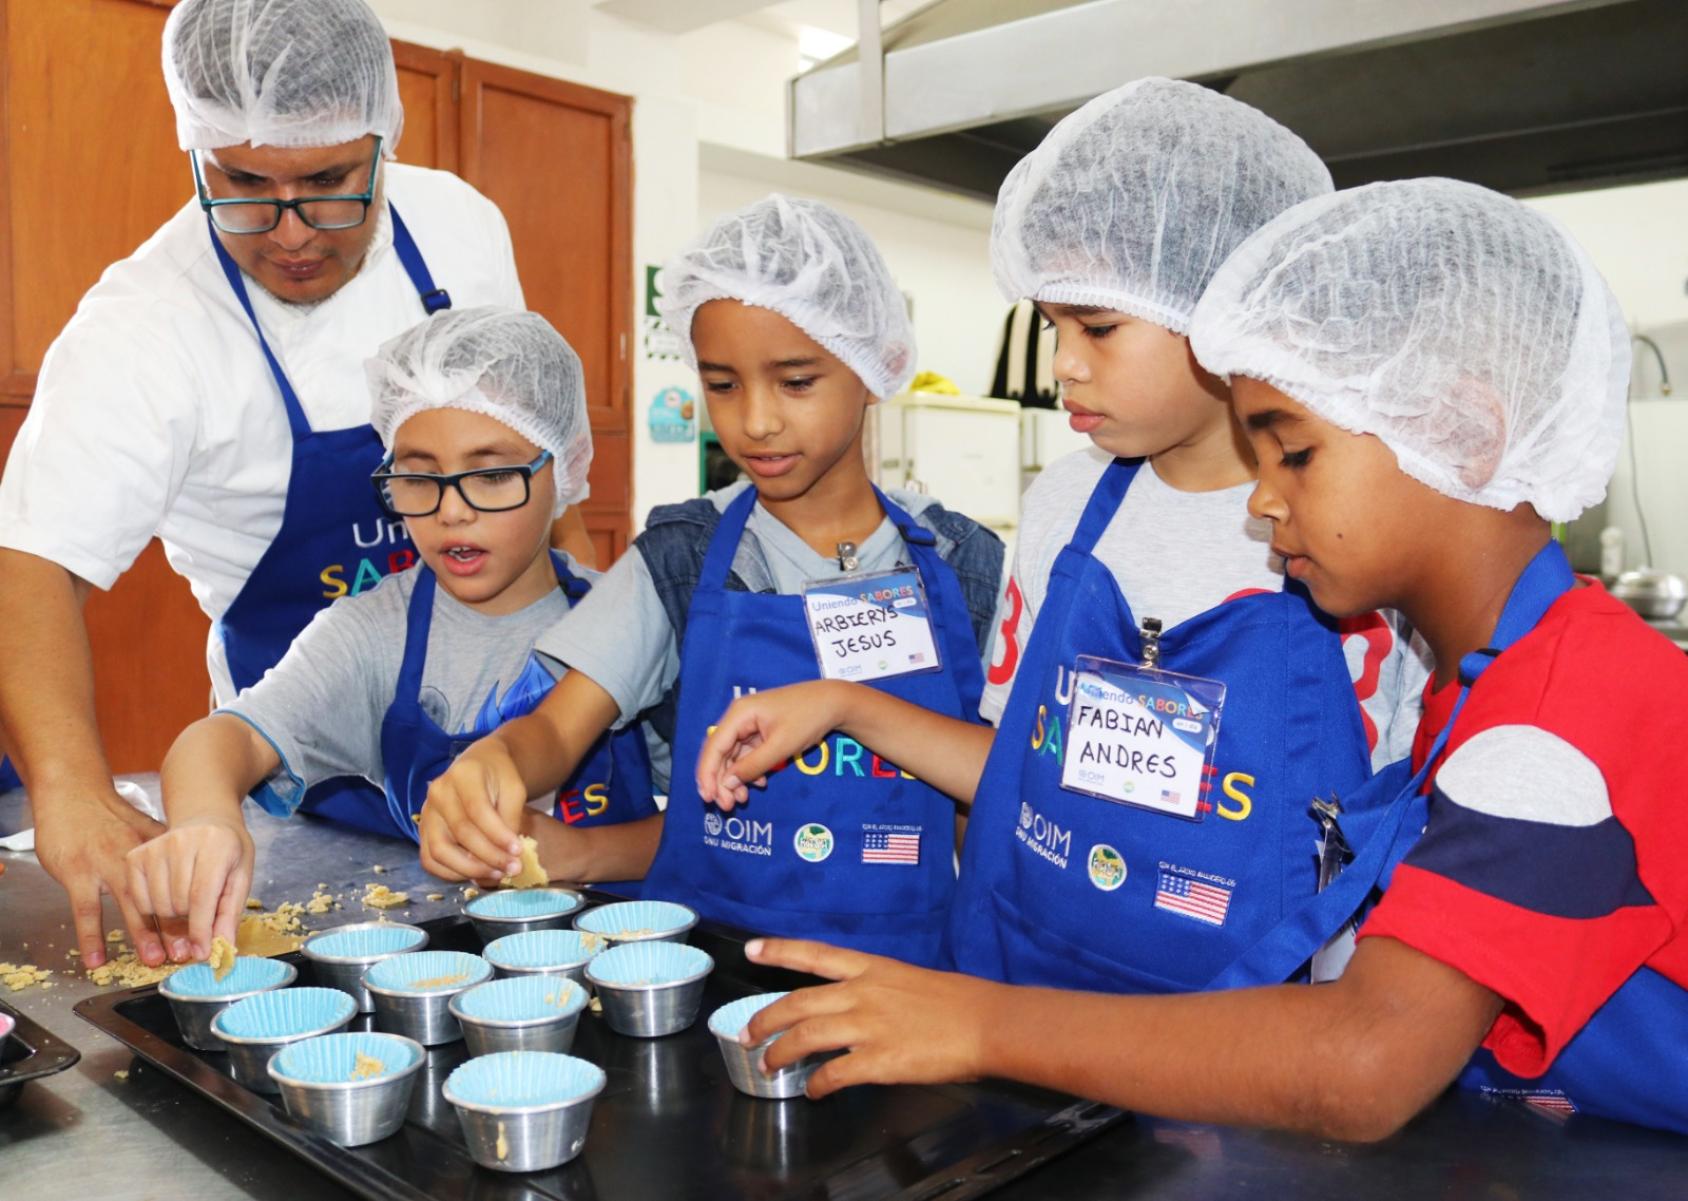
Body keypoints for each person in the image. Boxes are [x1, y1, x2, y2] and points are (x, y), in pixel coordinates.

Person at [706, 178, 1688, 1141]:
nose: (1258, 502)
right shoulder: (1481, 677)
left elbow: (1364, 1062)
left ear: (1465, 436)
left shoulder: (1548, 717)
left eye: (1291, 455)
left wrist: (971, 1023)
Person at [698, 79, 1427, 995]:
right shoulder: (1068, 505)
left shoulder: (1349, 531)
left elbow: (1394, 849)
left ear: (1226, 306)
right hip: (1028, 994)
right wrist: (844, 703)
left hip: (1243, 1047)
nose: (1062, 366)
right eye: (1051, 324)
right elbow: (1016, 773)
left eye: (1099, 325)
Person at [0, 0, 583, 969]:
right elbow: (29, 561)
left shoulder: (461, 231)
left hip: (507, 747)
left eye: (328, 182)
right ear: (195, 149)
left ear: (382, 137)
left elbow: (531, 456)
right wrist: (71, 789)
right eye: (241, 185)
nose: (291, 230)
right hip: (298, 775)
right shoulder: (144, 328)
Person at [418, 196, 1005, 967]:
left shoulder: (963, 566)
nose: (754, 421)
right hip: (712, 972)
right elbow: (557, 732)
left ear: (872, 368)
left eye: (795, 381)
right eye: (723, 384)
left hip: (911, 979)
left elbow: (992, 802)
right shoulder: (686, 556)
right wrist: (494, 762)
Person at [125, 307, 656, 958]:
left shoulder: (632, 619)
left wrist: (587, 852)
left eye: (491, 473)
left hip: (636, 961)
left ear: (565, 467)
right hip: (453, 970)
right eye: (418, 477)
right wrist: (207, 821)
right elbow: (223, 737)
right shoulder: (376, 632)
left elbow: (728, 828)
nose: (451, 510)